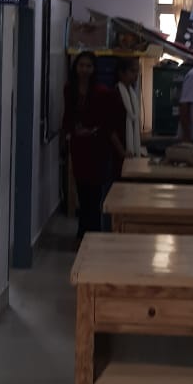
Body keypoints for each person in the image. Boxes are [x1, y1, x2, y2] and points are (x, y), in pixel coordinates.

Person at [61, 51, 113, 242]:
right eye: (81, 65)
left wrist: (93, 131)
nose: (84, 69)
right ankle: (82, 232)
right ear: (75, 68)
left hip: (96, 147)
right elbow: (67, 115)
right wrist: (68, 134)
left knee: (95, 192)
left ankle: (93, 232)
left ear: (94, 69)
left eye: (88, 66)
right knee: (82, 190)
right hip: (79, 145)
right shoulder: (70, 89)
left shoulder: (102, 92)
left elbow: (107, 121)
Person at [107, 57, 144, 181]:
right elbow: (110, 128)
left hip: (130, 151)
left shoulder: (132, 94)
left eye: (137, 71)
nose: (135, 75)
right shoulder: (115, 94)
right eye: (132, 71)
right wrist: (122, 152)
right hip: (119, 152)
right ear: (121, 73)